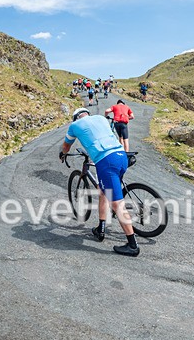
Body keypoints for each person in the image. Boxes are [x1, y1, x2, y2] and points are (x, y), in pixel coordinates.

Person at [59, 108, 139, 256]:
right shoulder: (101, 118)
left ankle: (132, 245)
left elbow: (66, 146)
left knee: (116, 203)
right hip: (121, 155)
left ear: (76, 117)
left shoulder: (74, 125)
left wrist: (63, 154)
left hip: (106, 160)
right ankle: (100, 228)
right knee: (103, 191)